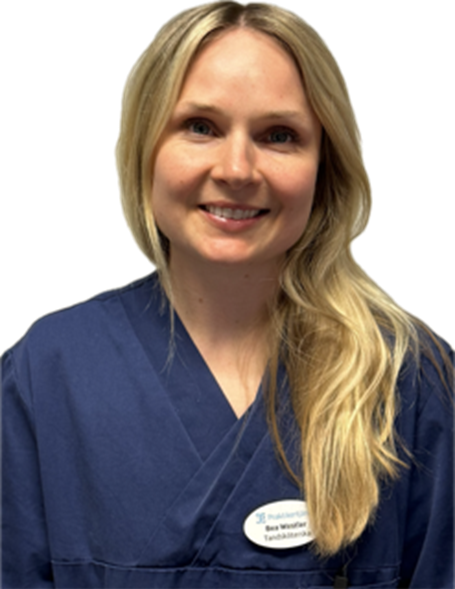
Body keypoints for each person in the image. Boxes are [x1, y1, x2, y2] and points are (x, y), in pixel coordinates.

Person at [1, 1, 454, 587]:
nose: (237, 169)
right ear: (145, 148)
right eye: (200, 127)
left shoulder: (407, 378)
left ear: (325, 167)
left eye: (279, 136)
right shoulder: (46, 374)